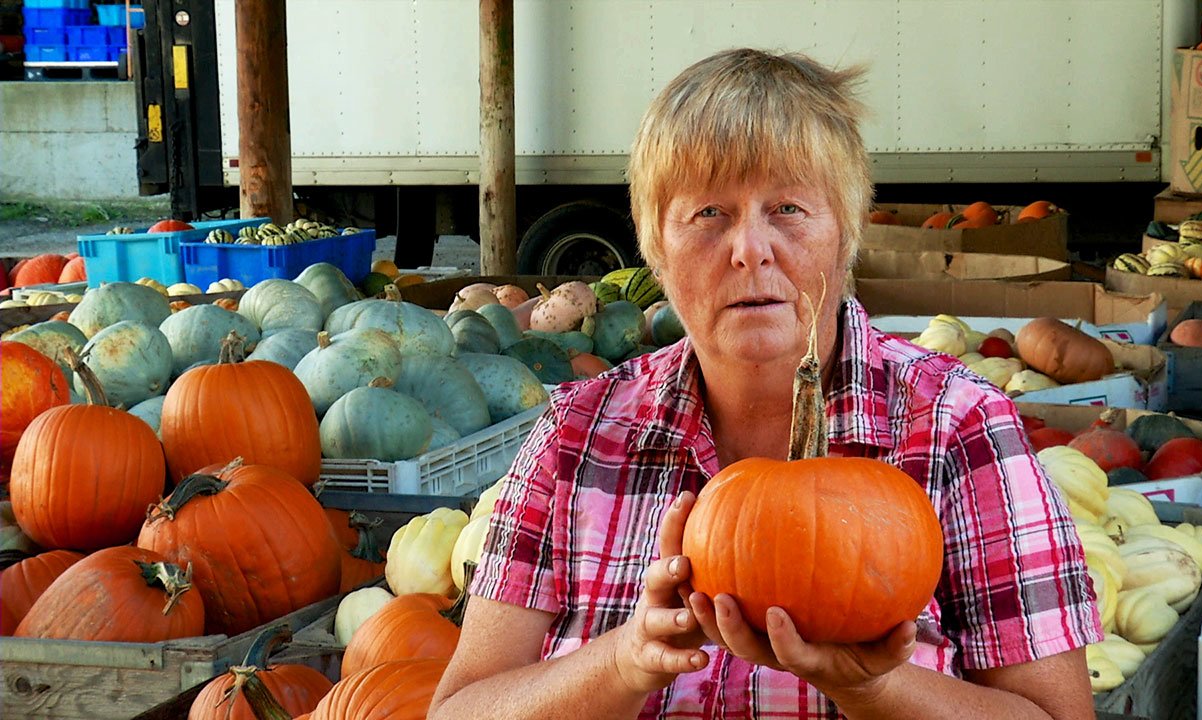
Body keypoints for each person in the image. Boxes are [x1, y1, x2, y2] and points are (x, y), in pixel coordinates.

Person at [429, 48, 1102, 719]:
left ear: (845, 234)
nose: (750, 248)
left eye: (786, 207)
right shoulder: (576, 435)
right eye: (708, 214)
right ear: (656, 250)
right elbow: (458, 709)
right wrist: (625, 659)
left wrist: (874, 687)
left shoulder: (959, 428)